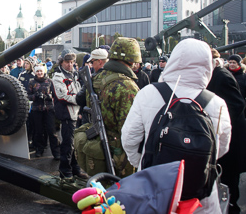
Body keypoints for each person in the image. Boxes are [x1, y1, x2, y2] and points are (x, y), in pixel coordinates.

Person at [121, 39, 231, 214]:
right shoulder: (217, 103)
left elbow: (129, 139)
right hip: (200, 196)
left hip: (153, 192)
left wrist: (144, 163)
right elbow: (221, 148)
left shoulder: (149, 93)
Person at [92, 37, 141, 177]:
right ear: (131, 60)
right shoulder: (127, 86)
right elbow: (130, 129)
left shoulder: (99, 77)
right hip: (120, 152)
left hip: (101, 144)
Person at [208, 49, 246, 214]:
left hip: (231, 138)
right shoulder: (217, 75)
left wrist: (219, 123)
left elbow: (237, 104)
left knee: (229, 179)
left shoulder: (222, 76)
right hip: (225, 137)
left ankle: (232, 208)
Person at [52, 49, 88, 179]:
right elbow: (63, 96)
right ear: (61, 62)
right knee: (67, 145)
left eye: (72, 62)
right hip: (67, 115)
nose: (70, 64)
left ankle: (75, 168)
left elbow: (79, 91)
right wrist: (78, 99)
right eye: (67, 62)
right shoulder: (58, 77)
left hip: (76, 113)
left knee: (75, 145)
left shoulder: (75, 75)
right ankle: (65, 171)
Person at [27, 64, 60, 159]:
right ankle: (39, 149)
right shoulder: (31, 82)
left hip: (48, 109)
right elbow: (28, 96)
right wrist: (35, 96)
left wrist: (47, 97)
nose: (39, 73)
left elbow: (55, 95)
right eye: (37, 71)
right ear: (35, 72)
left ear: (44, 71)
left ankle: (56, 152)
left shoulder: (49, 81)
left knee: (51, 131)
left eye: (41, 71)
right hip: (36, 110)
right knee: (38, 131)